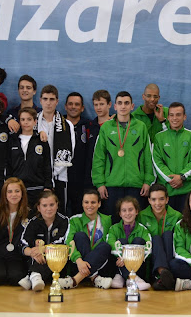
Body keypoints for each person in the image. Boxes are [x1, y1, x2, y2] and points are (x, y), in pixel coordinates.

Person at [92, 91, 154, 219]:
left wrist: (148, 181)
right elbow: (99, 158)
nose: (123, 106)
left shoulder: (141, 127)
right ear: (115, 106)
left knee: (134, 222)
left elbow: (148, 156)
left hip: (136, 184)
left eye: (126, 103)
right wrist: (100, 183)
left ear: (132, 106)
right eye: (120, 103)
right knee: (112, 222)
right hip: (111, 184)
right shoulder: (106, 128)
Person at [59, 189, 114, 290]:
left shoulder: (107, 220)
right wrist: (79, 260)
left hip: (99, 264)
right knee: (80, 236)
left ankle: (75, 280)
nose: (89, 205)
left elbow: (110, 240)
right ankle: (94, 277)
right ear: (82, 204)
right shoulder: (75, 220)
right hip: (78, 264)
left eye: (93, 202)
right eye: (86, 202)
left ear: (99, 204)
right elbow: (68, 241)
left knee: (106, 246)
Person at [152, 102, 191, 211]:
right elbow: (156, 162)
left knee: (187, 221)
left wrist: (182, 177)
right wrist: (172, 180)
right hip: (166, 191)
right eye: (172, 115)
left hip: (188, 190)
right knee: (168, 221)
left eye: (178, 115)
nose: (175, 118)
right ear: (168, 117)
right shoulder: (159, 137)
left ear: (184, 117)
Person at [18, 191, 70, 291]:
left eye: (52, 205)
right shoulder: (33, 222)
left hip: (58, 262)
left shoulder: (64, 221)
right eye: (44, 205)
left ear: (57, 205)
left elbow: (61, 241)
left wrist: (43, 249)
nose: (49, 209)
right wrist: (32, 252)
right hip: (36, 259)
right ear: (39, 208)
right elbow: (23, 242)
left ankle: (33, 276)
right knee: (35, 250)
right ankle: (35, 276)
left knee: (54, 252)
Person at [35, 85, 75, 214]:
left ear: (57, 101)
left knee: (59, 212)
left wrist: (52, 174)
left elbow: (69, 152)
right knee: (37, 212)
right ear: (40, 100)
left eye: (52, 99)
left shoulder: (67, 125)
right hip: (37, 176)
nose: (48, 103)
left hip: (59, 176)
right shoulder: (33, 122)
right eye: (45, 99)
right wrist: (44, 176)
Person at [138, 184, 182, 291]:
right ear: (149, 200)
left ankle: (163, 275)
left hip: (170, 257)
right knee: (156, 238)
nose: (157, 203)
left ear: (167, 200)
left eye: (161, 199)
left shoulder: (177, 216)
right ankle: (163, 273)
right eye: (154, 199)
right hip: (149, 259)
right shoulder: (141, 216)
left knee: (168, 235)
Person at [0, 178, 29, 286]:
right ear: (4, 194)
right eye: (10, 191)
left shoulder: (28, 213)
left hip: (16, 254)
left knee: (16, 278)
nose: (13, 195)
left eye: (17, 191)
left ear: (22, 193)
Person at [8, 107, 53, 211]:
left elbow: (47, 164)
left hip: (38, 187)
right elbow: (8, 164)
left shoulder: (41, 140)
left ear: (35, 121)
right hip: (18, 188)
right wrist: (9, 183)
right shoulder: (13, 140)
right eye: (23, 119)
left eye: (29, 119)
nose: (26, 122)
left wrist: (48, 186)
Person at [106, 196, 152, 290]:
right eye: (124, 210)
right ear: (120, 213)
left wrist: (126, 258)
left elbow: (148, 247)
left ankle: (131, 277)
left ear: (136, 211)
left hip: (139, 267)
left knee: (139, 241)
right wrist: (123, 257)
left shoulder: (143, 229)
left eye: (131, 210)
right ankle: (123, 277)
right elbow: (110, 244)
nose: (127, 213)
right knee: (121, 242)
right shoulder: (113, 228)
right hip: (117, 264)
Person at [65, 92, 90, 215]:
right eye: (70, 104)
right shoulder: (58, 124)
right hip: (62, 179)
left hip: (81, 180)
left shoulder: (89, 126)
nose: (73, 107)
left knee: (79, 215)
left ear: (82, 108)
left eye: (77, 104)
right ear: (65, 106)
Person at [85, 89, 113, 188]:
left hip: (111, 175)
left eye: (101, 104)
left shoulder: (115, 125)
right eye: (96, 105)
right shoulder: (90, 126)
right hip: (92, 175)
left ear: (109, 104)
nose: (98, 108)